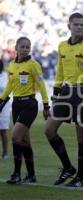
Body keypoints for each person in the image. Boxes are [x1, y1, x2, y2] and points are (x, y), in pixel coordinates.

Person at [44, 12, 83, 187]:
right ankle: (68, 167)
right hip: (65, 92)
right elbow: (60, 72)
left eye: (82, 24)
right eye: (76, 24)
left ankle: (80, 178)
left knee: (81, 138)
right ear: (69, 26)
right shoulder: (62, 46)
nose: (80, 27)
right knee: (49, 130)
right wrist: (55, 95)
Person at [0, 37, 50, 184]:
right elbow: (10, 85)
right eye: (22, 46)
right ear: (16, 47)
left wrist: (46, 105)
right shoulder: (11, 66)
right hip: (16, 105)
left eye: (28, 47)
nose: (25, 49)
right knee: (25, 141)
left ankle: (16, 174)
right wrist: (2, 99)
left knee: (15, 137)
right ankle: (32, 175)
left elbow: (41, 85)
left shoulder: (33, 65)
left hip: (29, 104)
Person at [0, 60, 10, 160]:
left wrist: (1, 105)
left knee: (3, 130)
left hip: (4, 107)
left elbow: (8, 94)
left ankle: (5, 152)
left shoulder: (6, 76)